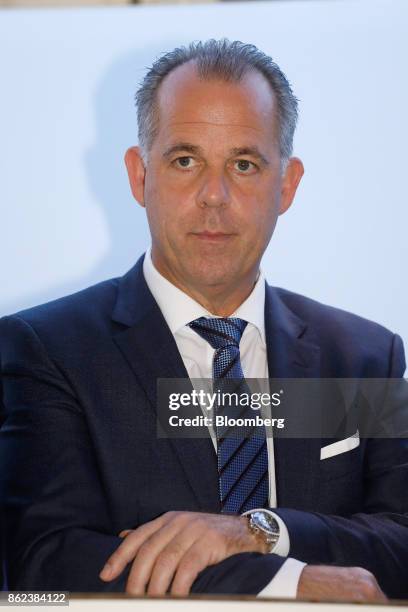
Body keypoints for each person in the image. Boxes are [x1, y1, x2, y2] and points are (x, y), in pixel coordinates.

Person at [0, 39, 407, 601]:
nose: (214, 197)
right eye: (185, 161)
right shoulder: (46, 349)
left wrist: (260, 533)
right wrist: (288, 582)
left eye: (243, 165)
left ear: (286, 185)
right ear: (139, 175)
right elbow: (43, 568)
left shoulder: (364, 358)